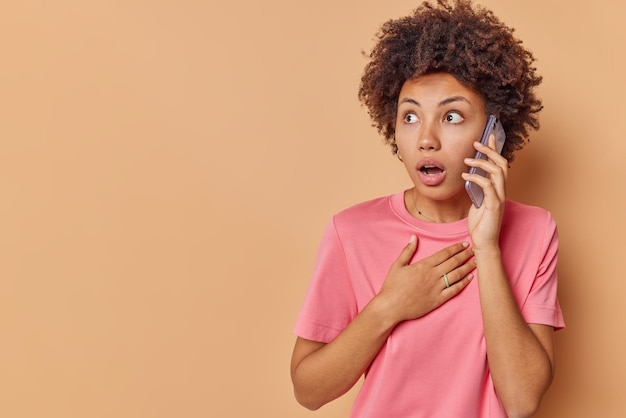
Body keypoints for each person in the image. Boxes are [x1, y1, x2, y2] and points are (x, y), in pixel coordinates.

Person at [290, 0, 565, 417]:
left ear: (494, 132)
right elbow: (308, 391)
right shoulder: (352, 232)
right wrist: (389, 307)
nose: (426, 139)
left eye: (452, 117)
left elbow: (523, 400)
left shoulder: (534, 231)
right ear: (393, 128)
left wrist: (487, 247)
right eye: (410, 117)